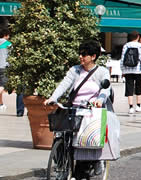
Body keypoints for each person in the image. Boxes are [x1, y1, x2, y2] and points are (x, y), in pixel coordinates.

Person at [45, 40, 120, 172]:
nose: (81, 57)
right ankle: (62, 164)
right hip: (74, 108)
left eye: (84, 54)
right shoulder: (75, 70)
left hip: (91, 109)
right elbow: (64, 84)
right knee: (61, 135)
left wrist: (100, 100)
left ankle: (96, 160)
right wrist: (53, 97)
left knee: (87, 139)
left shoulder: (101, 72)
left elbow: (105, 89)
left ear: (93, 57)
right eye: (80, 54)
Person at [120, 31, 141, 115]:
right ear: (138, 37)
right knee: (138, 87)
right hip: (138, 70)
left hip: (128, 70)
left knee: (129, 87)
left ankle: (131, 107)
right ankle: (138, 105)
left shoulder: (126, 45)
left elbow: (122, 58)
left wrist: (123, 70)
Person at [0, 27, 10, 112]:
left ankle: (1, 103)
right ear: (6, 35)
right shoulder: (8, 44)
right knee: (3, 86)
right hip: (4, 67)